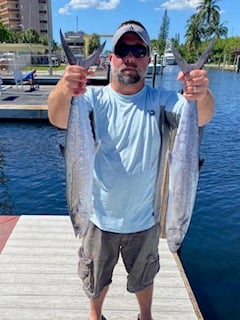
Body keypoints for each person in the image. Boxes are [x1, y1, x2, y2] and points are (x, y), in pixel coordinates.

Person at [48, 20, 214, 320]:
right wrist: (65, 87)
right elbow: (59, 118)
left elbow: (202, 116)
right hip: (99, 218)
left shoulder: (162, 101)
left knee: (145, 276)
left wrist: (200, 94)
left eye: (138, 50)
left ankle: (145, 316)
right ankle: (95, 316)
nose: (130, 57)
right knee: (95, 280)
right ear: (111, 57)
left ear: (148, 59)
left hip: (144, 219)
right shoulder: (92, 99)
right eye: (123, 49)